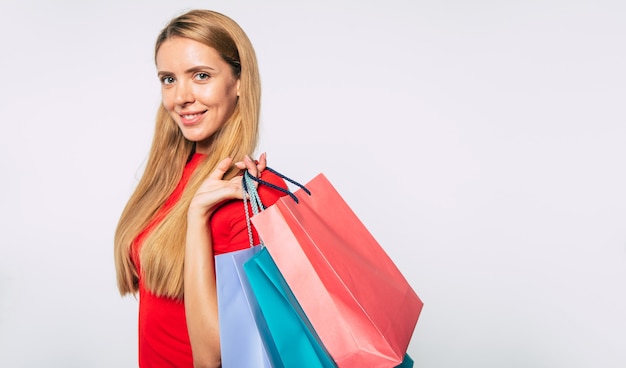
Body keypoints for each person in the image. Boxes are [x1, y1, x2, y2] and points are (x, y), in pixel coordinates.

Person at [113, 9, 287, 368]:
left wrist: (196, 217)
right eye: (168, 79)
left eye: (201, 76)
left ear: (239, 82)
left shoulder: (254, 195)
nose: (181, 97)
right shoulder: (167, 177)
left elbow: (215, 357)